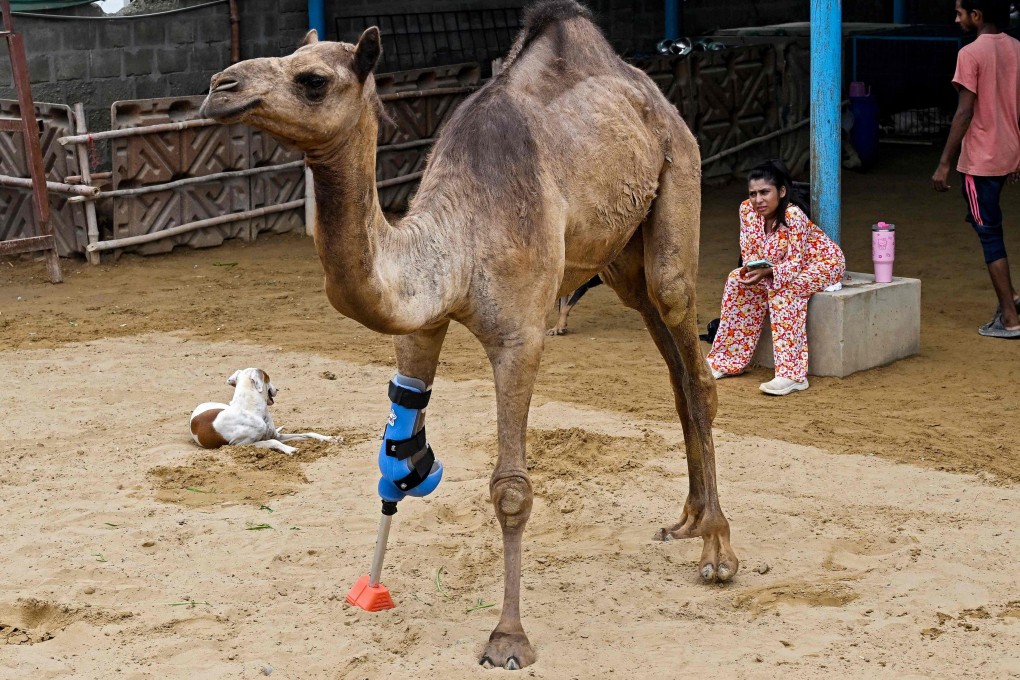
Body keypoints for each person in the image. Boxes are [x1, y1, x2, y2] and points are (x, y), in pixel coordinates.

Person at [706, 160, 846, 396]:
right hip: (776, 268)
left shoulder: (793, 216)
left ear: (781, 192)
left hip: (821, 263)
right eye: (753, 193)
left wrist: (770, 273)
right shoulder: (747, 211)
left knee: (785, 290)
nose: (758, 199)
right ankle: (726, 361)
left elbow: (795, 265)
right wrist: (752, 271)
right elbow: (748, 250)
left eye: (764, 192)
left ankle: (792, 375)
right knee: (735, 280)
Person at [932, 0, 1020, 339]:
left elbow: (965, 112)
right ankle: (1011, 297)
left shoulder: (970, 53)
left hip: (981, 159)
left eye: (959, 13)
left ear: (977, 15)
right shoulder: (1016, 48)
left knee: (989, 235)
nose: (956, 19)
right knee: (989, 225)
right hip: (1007, 152)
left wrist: (944, 163)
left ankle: (1010, 318)